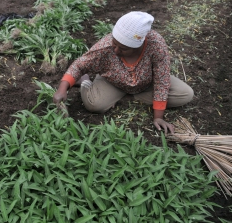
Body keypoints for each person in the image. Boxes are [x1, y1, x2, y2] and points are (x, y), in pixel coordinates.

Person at [53, 11, 193, 134]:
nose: (116, 51)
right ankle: (85, 81)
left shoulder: (156, 45)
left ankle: (125, 97)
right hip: (113, 82)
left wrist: (158, 117)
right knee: (94, 104)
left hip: (146, 82)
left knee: (185, 94)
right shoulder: (106, 45)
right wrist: (62, 89)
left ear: (138, 45)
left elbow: (162, 80)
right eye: (115, 44)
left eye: (123, 49)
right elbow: (79, 65)